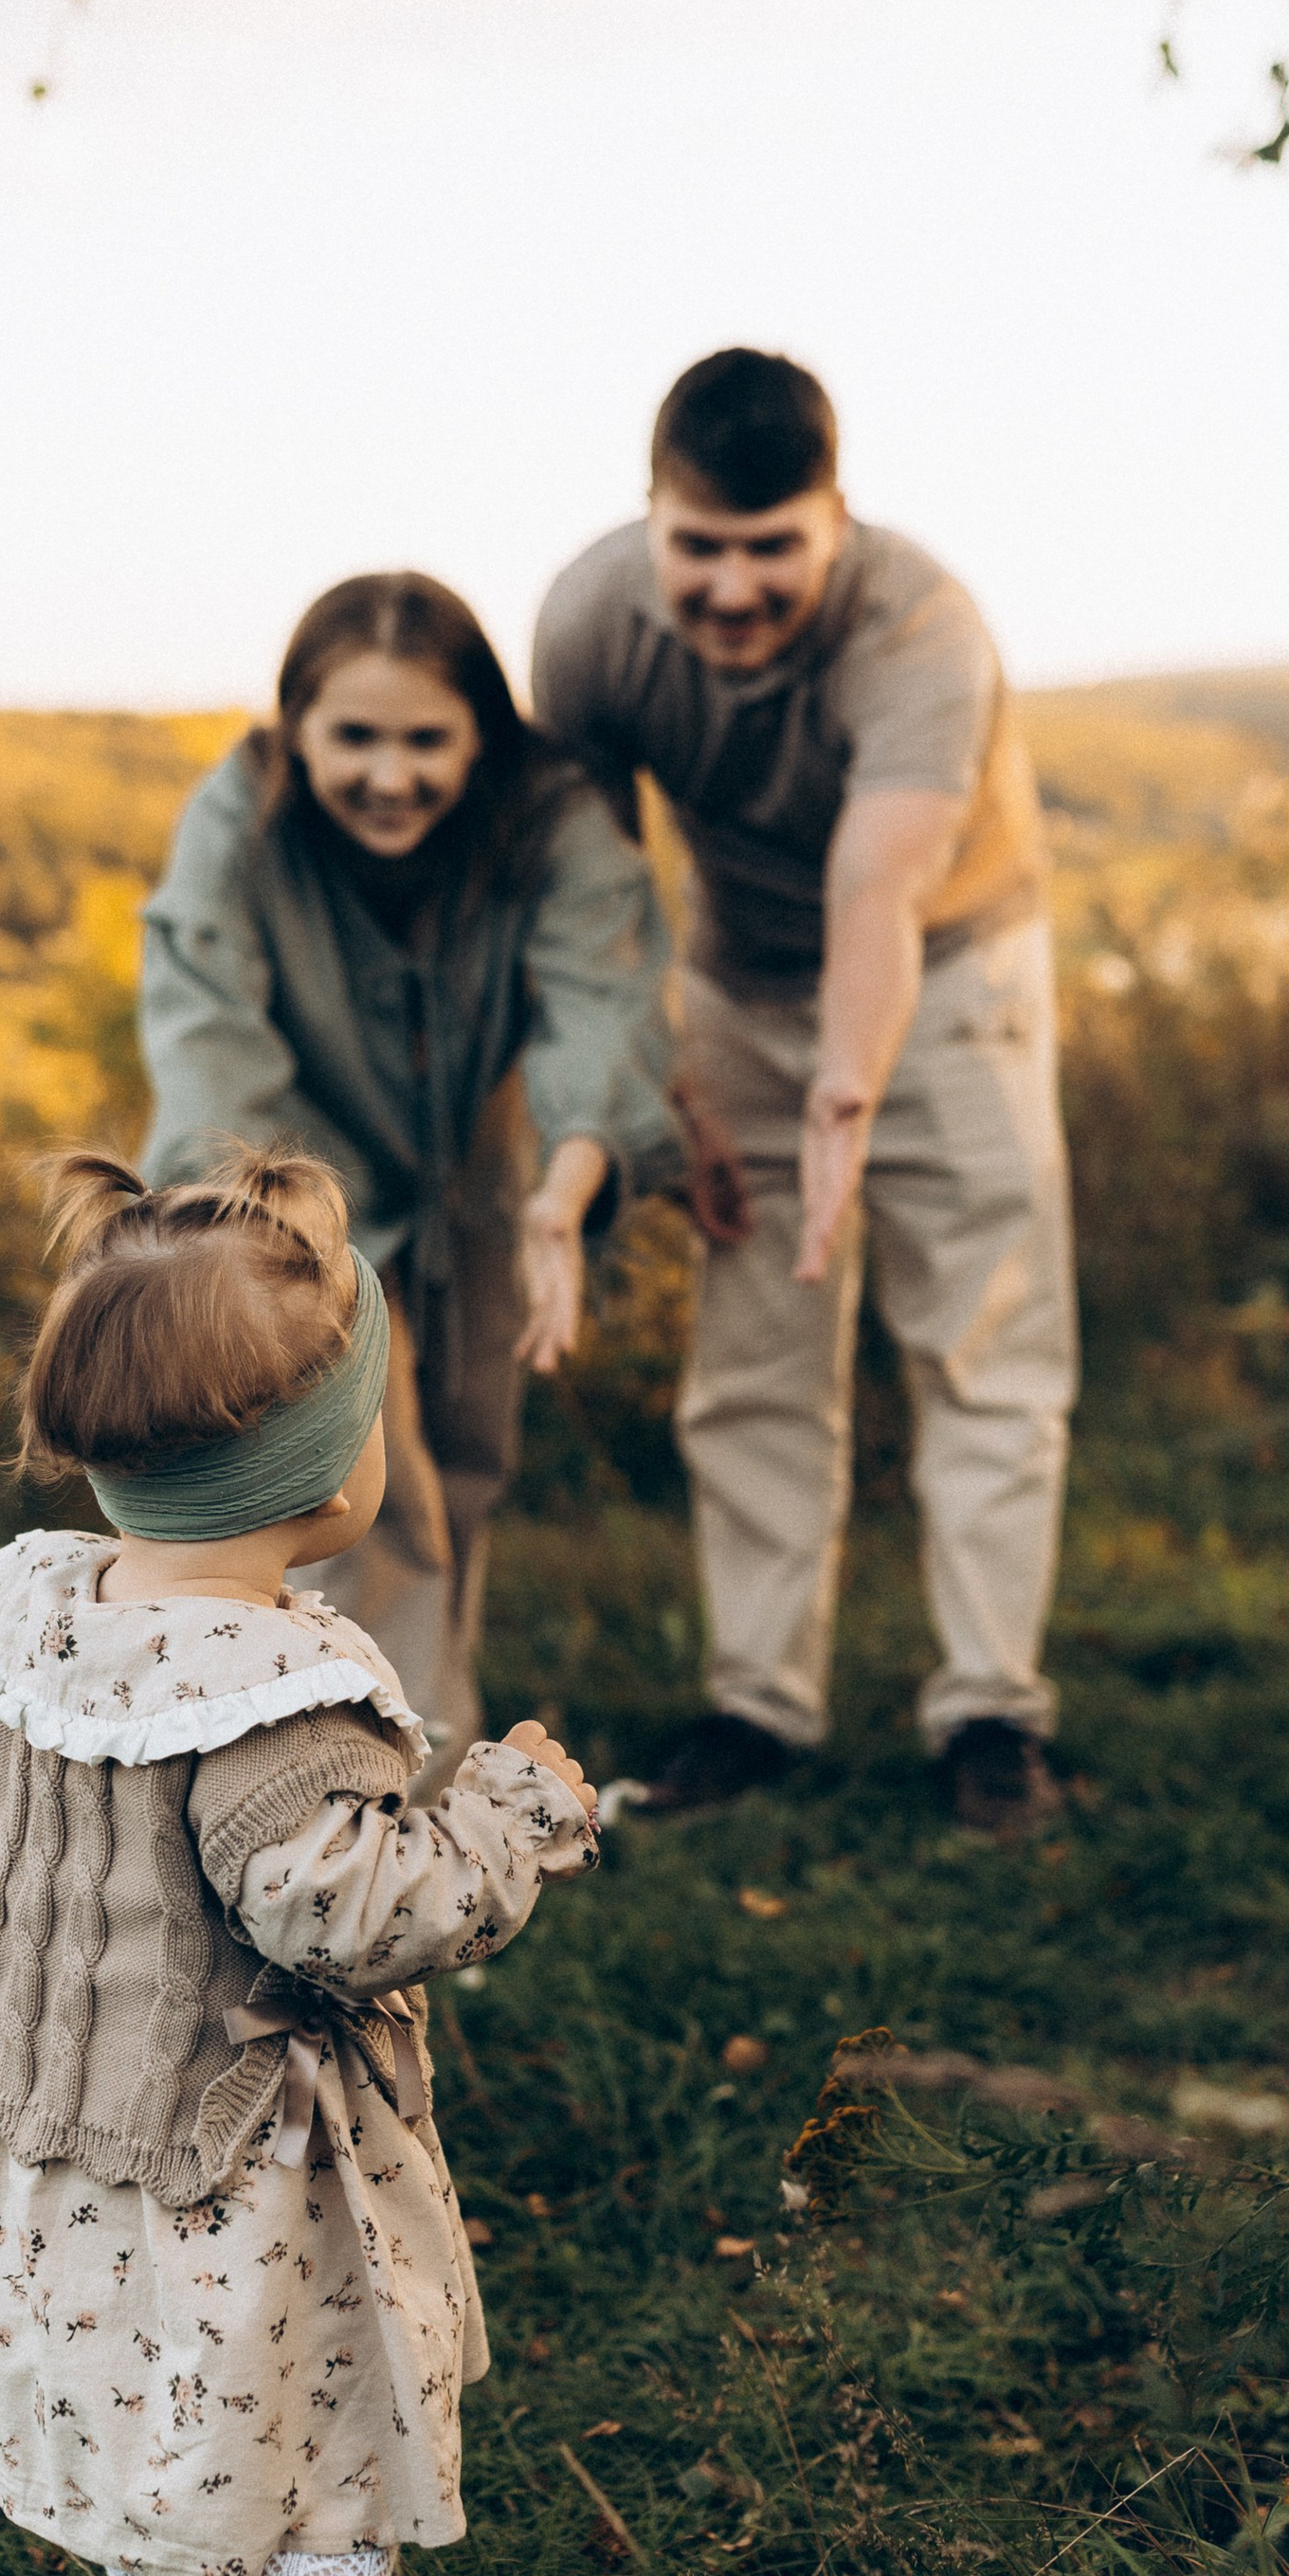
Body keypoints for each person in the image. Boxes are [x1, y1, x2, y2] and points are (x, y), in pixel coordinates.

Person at [0, 1143, 598, 2576]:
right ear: (327, 1475)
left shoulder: (36, 1627)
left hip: (58, 2135)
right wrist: (514, 1811)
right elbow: (354, 1914)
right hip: (244, 2171)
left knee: (146, 2433)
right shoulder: (268, 1706)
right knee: (313, 2484)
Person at [533, 349, 1075, 1841]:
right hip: (732, 984)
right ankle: (758, 1706)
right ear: (653, 520)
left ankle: (988, 1713)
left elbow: (878, 890)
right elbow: (595, 895)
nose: (731, 585)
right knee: (756, 1363)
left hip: (953, 975)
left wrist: (845, 1106)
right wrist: (686, 1102)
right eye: (700, 546)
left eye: (772, 548)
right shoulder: (587, 625)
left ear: (835, 520)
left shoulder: (918, 625)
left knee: (984, 1350)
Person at [139, 572, 679, 1789]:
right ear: (296, 730)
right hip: (284, 1185)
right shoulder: (238, 817)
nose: (393, 775)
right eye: (356, 737)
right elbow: (207, 1032)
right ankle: (363, 1810)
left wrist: (571, 1176)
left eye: (427, 737)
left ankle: (400, 1758)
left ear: (482, 731)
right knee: (362, 1501)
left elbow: (604, 998)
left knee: (465, 1464)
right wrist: (274, 1247)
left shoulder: (554, 815)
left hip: (480, 1174)